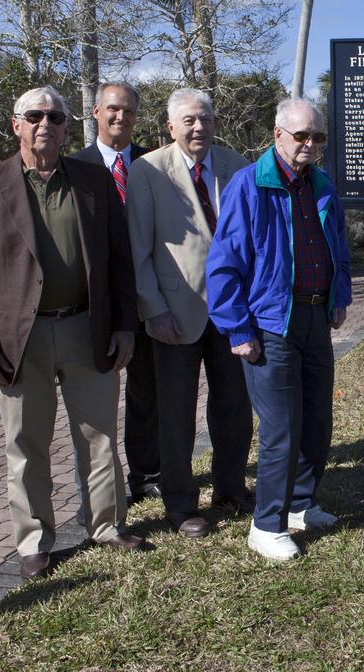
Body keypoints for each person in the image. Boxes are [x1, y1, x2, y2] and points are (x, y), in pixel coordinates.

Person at [0, 86, 143, 580]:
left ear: (66, 126)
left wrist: (125, 325)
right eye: (34, 115)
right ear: (15, 124)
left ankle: (106, 525)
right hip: (22, 338)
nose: (45, 124)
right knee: (26, 443)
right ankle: (34, 539)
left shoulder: (93, 180)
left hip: (88, 328)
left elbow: (120, 262)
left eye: (55, 117)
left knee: (100, 437)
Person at [206, 98, 352, 561]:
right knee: (280, 428)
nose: (309, 144)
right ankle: (266, 525)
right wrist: (236, 329)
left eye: (318, 137)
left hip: (314, 319)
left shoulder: (322, 184)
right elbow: (224, 263)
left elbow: (338, 248)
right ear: (277, 135)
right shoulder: (249, 185)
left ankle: (302, 504)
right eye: (301, 136)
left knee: (316, 421)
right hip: (269, 323)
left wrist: (337, 297)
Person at [126, 88, 254, 538]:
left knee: (235, 407)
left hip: (233, 313)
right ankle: (180, 505)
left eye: (205, 119)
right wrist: (153, 309)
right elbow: (138, 249)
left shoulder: (237, 165)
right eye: (189, 121)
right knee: (176, 413)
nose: (198, 127)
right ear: (171, 126)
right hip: (174, 315)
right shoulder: (147, 170)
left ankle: (231, 488)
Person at [72, 82, 160, 503]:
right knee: (94, 400)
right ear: (95, 112)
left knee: (146, 391)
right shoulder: (75, 167)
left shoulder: (154, 165)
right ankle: (97, 488)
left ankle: (147, 473)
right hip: (94, 301)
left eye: (127, 111)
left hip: (144, 297)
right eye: (112, 109)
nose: (119, 117)